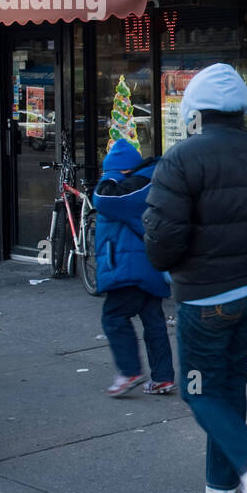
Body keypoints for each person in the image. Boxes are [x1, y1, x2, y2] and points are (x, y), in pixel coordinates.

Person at [142, 64, 247, 493]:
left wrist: (169, 259)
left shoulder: (181, 159)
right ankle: (221, 485)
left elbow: (161, 243)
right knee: (228, 382)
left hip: (206, 298)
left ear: (196, 110)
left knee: (198, 389)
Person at [94, 138, 175, 397]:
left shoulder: (131, 188)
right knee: (153, 320)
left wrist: (109, 178)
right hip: (146, 264)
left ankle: (129, 371)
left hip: (129, 267)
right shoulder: (147, 181)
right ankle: (162, 377)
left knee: (113, 317)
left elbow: (102, 199)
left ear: (123, 170)